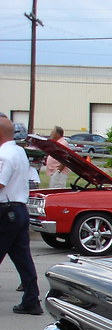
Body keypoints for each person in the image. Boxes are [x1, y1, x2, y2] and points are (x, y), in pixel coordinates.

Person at [0, 115, 42, 314]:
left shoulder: (3, 155)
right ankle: (32, 300)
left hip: (5, 210)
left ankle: (31, 300)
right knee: (23, 257)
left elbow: (0, 183)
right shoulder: (19, 152)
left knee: (20, 256)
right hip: (19, 209)